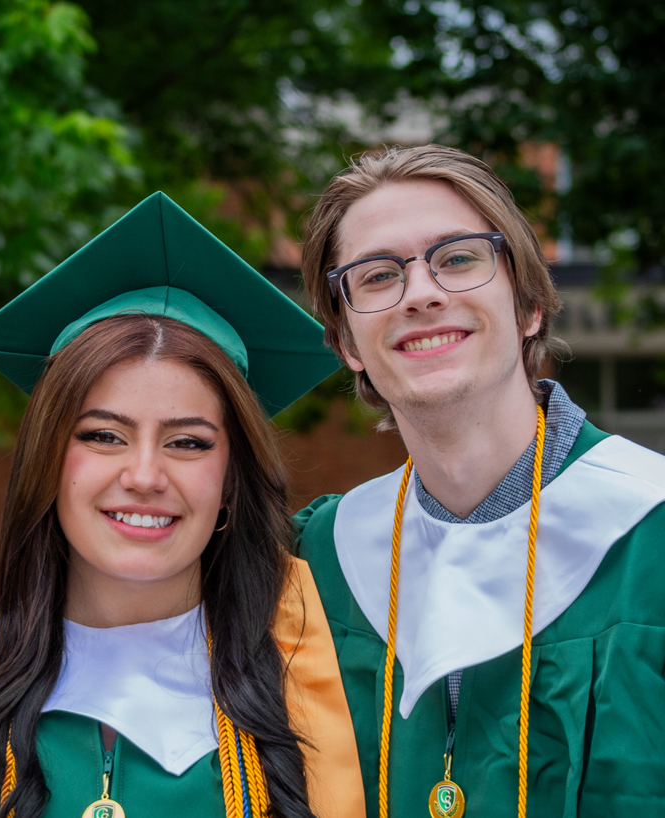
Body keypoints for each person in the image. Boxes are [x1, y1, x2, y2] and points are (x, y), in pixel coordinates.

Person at [0, 192, 364, 818]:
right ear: (48, 461)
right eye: (103, 436)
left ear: (231, 479)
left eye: (188, 443)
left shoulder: (324, 647)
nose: (145, 475)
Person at [294, 144, 665, 816]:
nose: (423, 293)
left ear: (529, 306)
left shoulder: (652, 532)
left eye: (459, 258)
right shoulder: (316, 561)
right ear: (347, 342)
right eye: (377, 276)